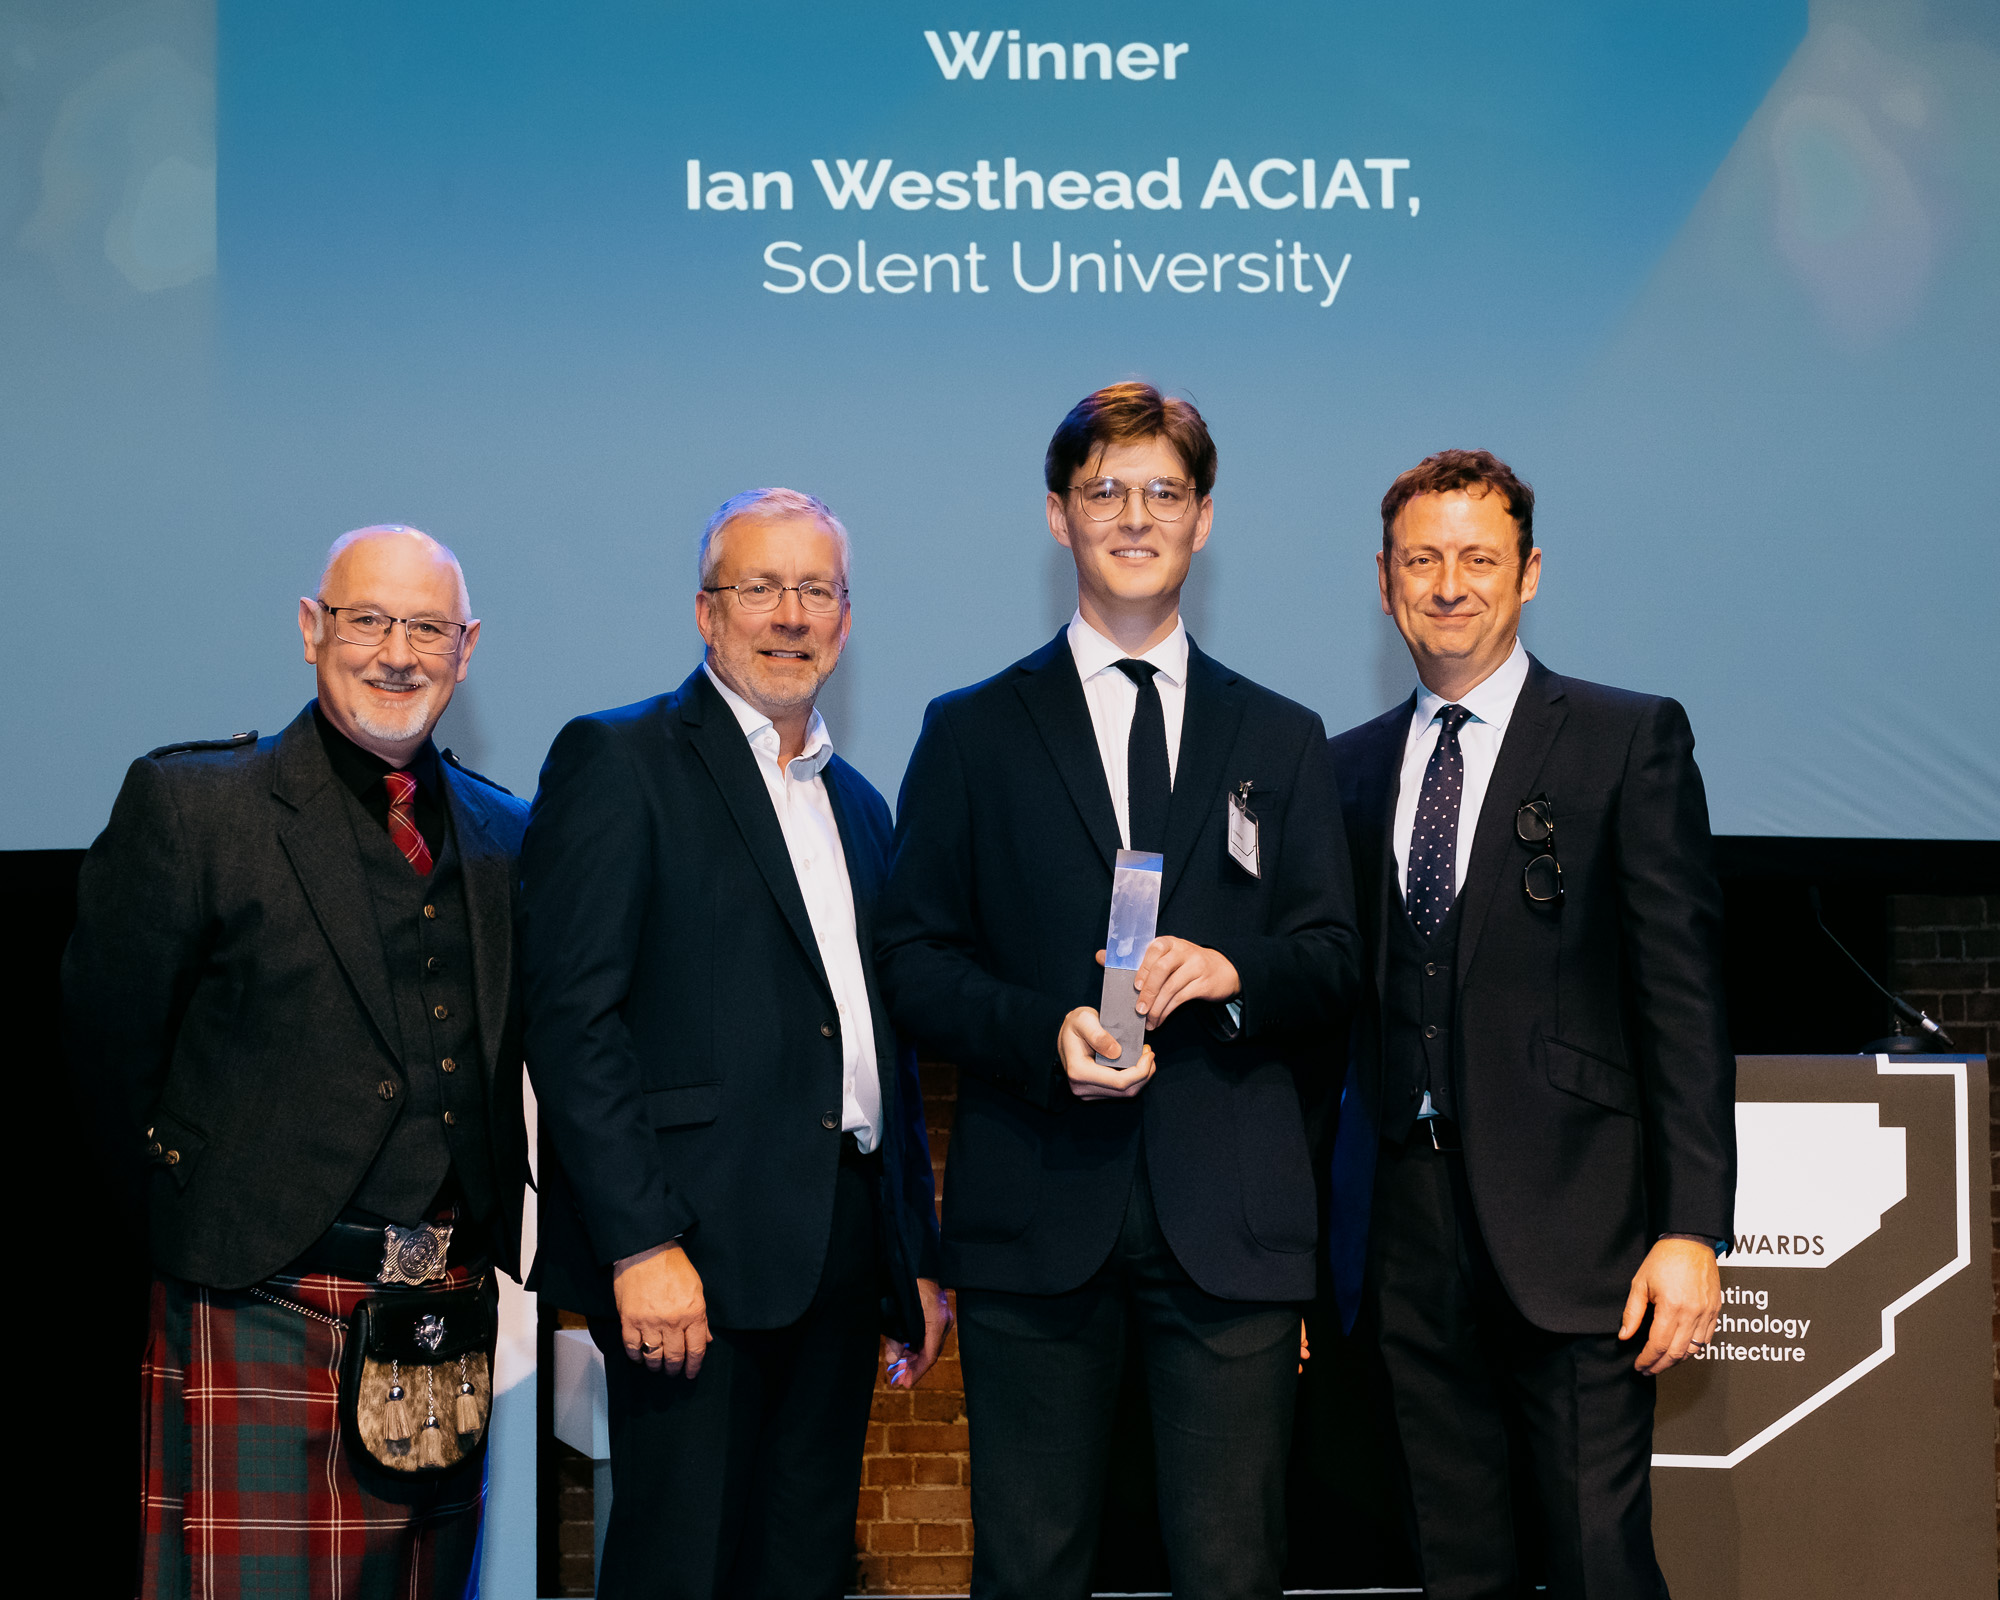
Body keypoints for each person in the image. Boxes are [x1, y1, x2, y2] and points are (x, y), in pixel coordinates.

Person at [877, 383, 1362, 1600]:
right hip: (1032, 1220)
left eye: (1161, 492)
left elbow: (1335, 957)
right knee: (1029, 1566)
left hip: (1232, 1228)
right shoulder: (970, 731)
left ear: (1203, 520)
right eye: (1103, 491)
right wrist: (1039, 1032)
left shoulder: (1282, 735)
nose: (1132, 517)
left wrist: (1235, 973)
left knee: (1231, 1569)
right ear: (1056, 516)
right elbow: (914, 964)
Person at [64, 525, 531, 1600]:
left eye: (426, 627)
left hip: (440, 1305)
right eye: (367, 619)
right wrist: (211, 1223)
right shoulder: (198, 807)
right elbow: (107, 1044)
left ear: (466, 648)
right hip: (261, 1292)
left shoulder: (507, 834)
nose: (396, 652)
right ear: (311, 627)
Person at [518, 488, 948, 1600]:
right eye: (760, 587)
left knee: (799, 1569)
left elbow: (873, 1039)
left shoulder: (857, 802)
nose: (789, 614)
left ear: (845, 623)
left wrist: (912, 1252)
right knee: (679, 1566)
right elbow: (572, 1020)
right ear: (706, 614)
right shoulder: (619, 761)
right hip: (688, 1260)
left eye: (815, 591)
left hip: (839, 1254)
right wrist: (639, 1242)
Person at [1327, 449, 1736, 1598]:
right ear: (1382, 579)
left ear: (1529, 572)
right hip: (1402, 1239)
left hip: (1581, 1235)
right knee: (1453, 1566)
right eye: (1421, 559)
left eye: (1476, 557)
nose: (1447, 583)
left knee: (1597, 1562)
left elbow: (1682, 1003)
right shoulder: (1343, 773)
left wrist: (1693, 1227)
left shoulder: (1623, 740)